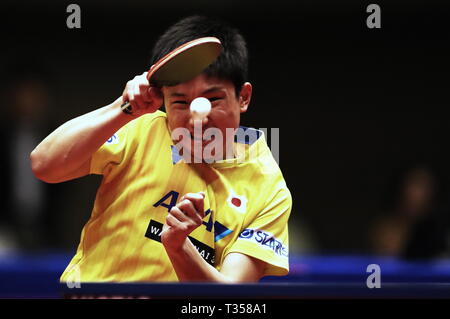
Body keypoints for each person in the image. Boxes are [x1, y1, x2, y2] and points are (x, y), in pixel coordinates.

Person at [30, 16, 292, 282]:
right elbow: (44, 166)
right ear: (164, 101)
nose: (197, 118)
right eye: (179, 102)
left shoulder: (268, 189)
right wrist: (122, 108)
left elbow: (229, 299)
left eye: (212, 99)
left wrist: (179, 247)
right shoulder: (141, 129)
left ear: (243, 97)